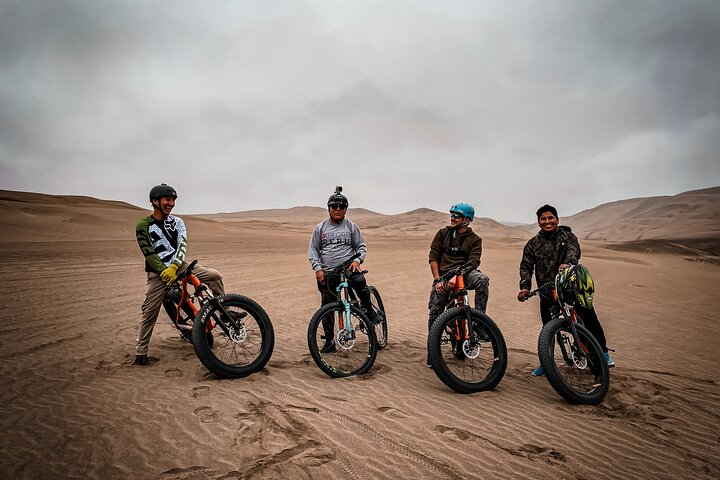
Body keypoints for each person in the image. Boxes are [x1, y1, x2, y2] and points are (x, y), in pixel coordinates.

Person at [133, 183, 225, 366]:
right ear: (155, 201)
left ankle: (224, 311)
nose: (171, 203)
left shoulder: (178, 222)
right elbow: (148, 252)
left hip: (180, 266)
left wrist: (174, 266)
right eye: (168, 199)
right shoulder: (143, 225)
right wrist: (163, 271)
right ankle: (140, 353)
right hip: (157, 273)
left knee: (214, 276)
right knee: (150, 311)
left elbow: (182, 245)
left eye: (173, 200)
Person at [517, 204, 614, 376]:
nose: (547, 221)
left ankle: (603, 353)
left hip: (570, 288)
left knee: (589, 319)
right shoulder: (532, 244)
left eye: (550, 218)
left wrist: (568, 264)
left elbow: (574, 251)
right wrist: (525, 287)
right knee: (547, 329)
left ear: (557, 219)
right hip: (547, 291)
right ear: (539, 222)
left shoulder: (567, 236)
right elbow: (526, 265)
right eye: (543, 219)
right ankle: (547, 363)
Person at [308, 186, 380, 353]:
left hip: (348, 267)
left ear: (346, 209)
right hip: (328, 271)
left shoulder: (351, 227)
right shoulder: (320, 229)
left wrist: (357, 260)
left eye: (342, 207)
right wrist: (317, 269)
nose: (338, 209)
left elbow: (361, 246)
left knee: (360, 281)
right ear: (329, 209)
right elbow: (314, 250)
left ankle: (369, 311)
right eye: (335, 206)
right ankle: (329, 341)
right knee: (327, 304)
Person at [427, 203, 490, 365]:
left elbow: (474, 261)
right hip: (444, 276)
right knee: (435, 312)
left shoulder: (475, 239)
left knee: (482, 280)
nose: (452, 218)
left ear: (466, 220)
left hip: (466, 273)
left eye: (457, 216)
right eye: (452, 215)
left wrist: (459, 274)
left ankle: (479, 324)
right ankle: (432, 351)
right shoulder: (442, 234)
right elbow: (433, 257)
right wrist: (437, 280)